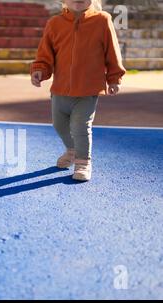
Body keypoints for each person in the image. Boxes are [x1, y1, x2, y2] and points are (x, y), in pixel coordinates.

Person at [30, 0, 126, 181]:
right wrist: (39, 71)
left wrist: (114, 78)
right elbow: (45, 54)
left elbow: (112, 53)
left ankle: (83, 162)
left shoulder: (102, 20)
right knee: (59, 125)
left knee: (81, 126)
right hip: (59, 90)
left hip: (87, 90)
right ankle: (72, 151)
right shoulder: (54, 23)